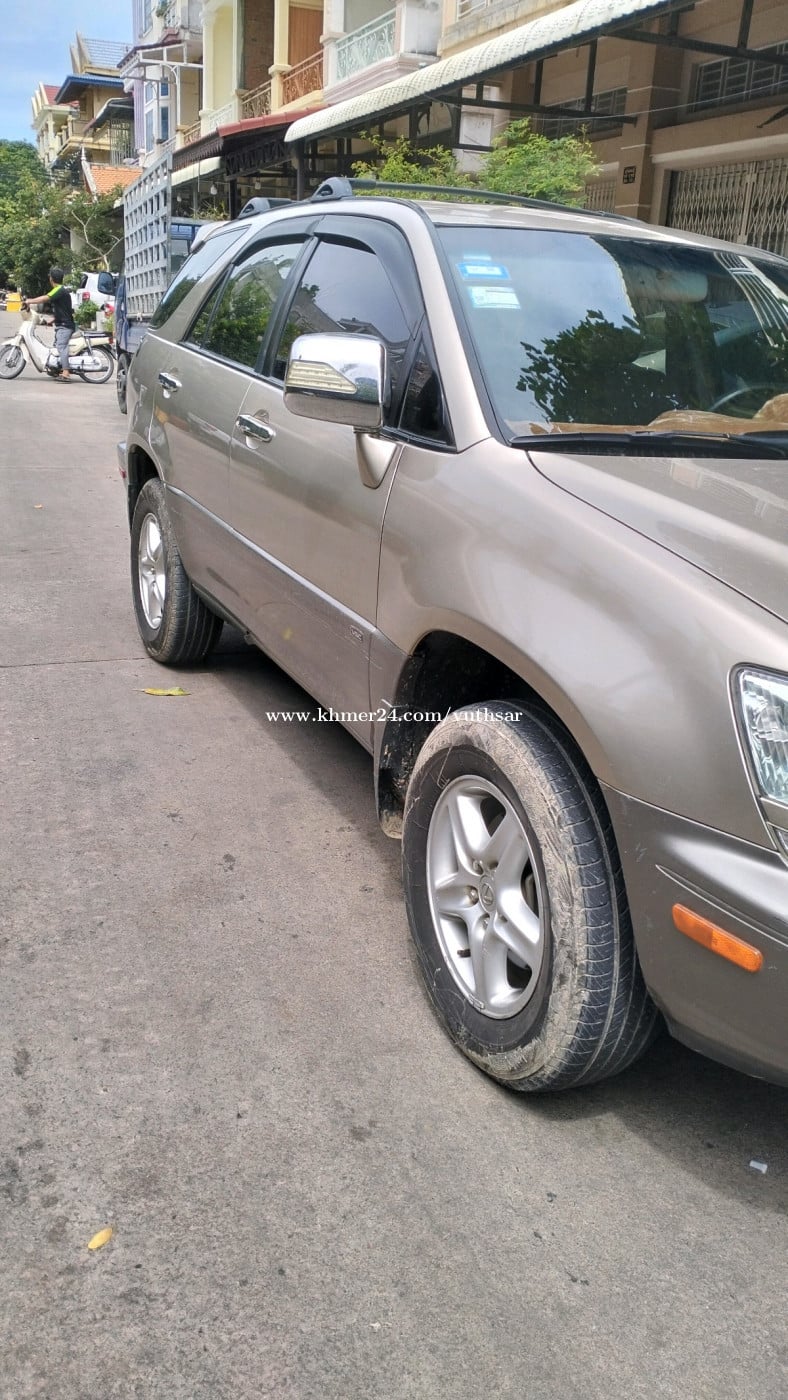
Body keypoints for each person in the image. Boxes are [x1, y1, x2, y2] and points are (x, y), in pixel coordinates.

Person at [26, 266, 75, 381]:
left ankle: (66, 373)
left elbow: (45, 298)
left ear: (51, 279)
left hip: (65, 326)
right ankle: (57, 369)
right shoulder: (62, 290)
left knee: (61, 346)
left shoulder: (59, 289)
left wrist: (29, 301)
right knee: (56, 347)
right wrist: (52, 320)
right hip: (63, 324)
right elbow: (64, 310)